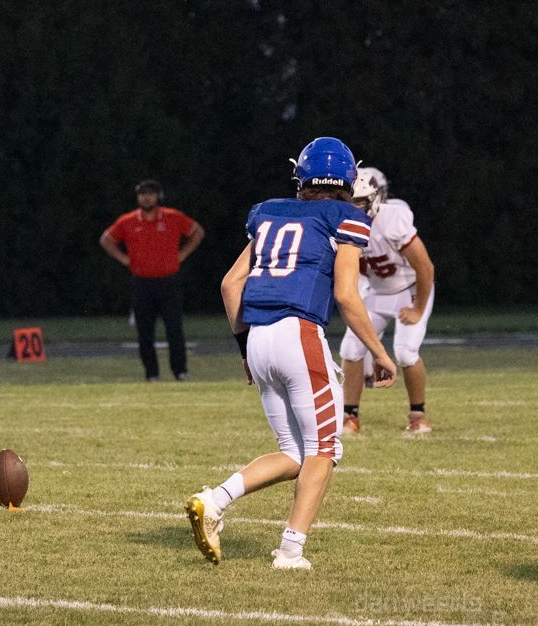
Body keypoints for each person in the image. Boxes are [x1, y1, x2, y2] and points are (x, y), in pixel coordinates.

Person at [185, 137, 398, 571]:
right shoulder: (347, 216)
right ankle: (290, 551)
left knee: (294, 452)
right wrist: (380, 352)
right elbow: (346, 294)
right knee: (325, 449)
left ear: (299, 175)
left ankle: (214, 499)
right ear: (346, 177)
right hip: (299, 333)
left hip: (258, 337)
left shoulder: (268, 212)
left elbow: (230, 284)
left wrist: (245, 349)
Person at [339, 167, 437, 434]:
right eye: (350, 201)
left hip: (409, 289)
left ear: (377, 197)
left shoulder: (392, 218)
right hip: (377, 291)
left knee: (405, 352)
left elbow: (425, 267)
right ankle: (350, 416)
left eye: (360, 201)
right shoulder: (340, 223)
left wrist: (417, 308)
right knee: (350, 349)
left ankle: (418, 414)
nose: (355, 208)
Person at [100, 180, 204, 381]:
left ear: (158, 196)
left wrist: (181, 255)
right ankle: (151, 374)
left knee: (174, 328)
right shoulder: (129, 220)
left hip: (168, 281)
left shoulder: (172, 217)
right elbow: (106, 239)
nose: (146, 197)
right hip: (142, 282)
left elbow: (197, 232)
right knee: (144, 331)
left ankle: (180, 371)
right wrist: (124, 259)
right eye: (142, 194)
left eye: (150, 193)